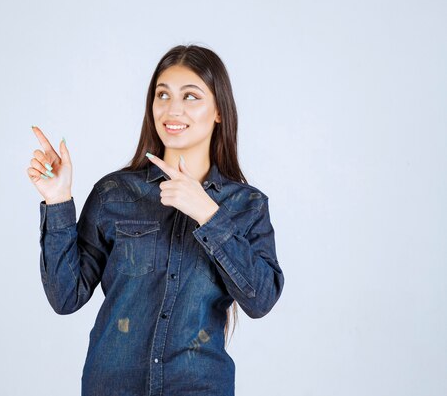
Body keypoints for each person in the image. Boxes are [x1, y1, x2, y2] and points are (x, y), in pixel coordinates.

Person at [26, 44, 284, 396]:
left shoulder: (246, 205)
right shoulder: (114, 193)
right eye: (162, 95)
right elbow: (65, 297)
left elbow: (261, 299)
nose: (172, 109)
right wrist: (57, 201)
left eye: (190, 96)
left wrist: (207, 213)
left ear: (219, 110)